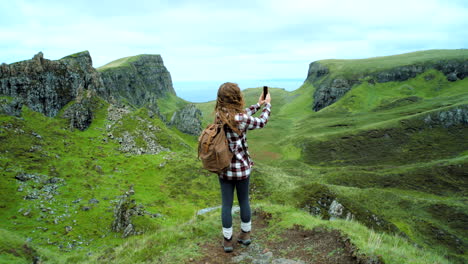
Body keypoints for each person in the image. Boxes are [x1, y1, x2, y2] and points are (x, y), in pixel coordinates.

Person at [214, 82, 272, 253]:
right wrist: (267, 105)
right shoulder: (241, 118)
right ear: (237, 97)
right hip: (242, 170)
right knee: (244, 201)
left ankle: (227, 241)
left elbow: (240, 115)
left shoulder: (219, 114)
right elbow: (261, 122)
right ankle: (245, 235)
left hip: (224, 169)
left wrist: (258, 104)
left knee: (226, 205)